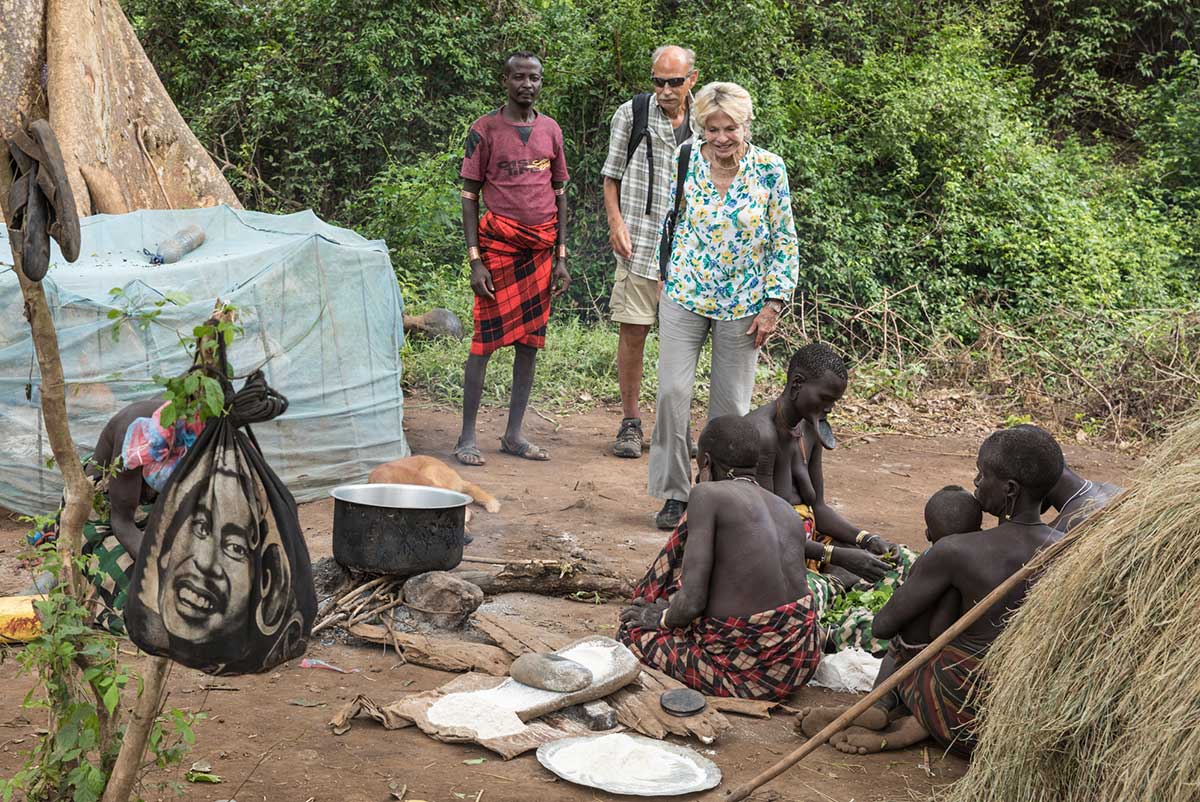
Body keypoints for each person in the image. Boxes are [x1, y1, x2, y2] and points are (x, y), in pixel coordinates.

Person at [815, 425, 1065, 757]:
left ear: (1010, 489)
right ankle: (908, 723)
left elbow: (883, 627)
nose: (976, 482)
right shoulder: (1068, 550)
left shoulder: (957, 551)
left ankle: (885, 705)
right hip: (1028, 714)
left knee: (915, 624)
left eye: (982, 473)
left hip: (963, 710)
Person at [618, 415, 891, 700]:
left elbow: (693, 602)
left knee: (632, 633)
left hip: (752, 674)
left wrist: (660, 618)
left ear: (707, 462)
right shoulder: (785, 509)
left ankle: (652, 607)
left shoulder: (706, 495)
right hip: (803, 659)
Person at [649, 81, 799, 530]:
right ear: (701, 128)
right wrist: (664, 274)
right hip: (685, 294)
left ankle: (717, 494)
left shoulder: (770, 170)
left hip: (745, 304)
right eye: (711, 129)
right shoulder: (685, 159)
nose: (720, 138)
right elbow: (669, 220)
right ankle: (675, 494)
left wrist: (774, 301)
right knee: (672, 394)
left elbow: (784, 240)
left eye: (729, 128)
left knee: (730, 409)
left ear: (745, 126)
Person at [746, 343, 917, 653]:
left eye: (834, 402)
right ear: (796, 384)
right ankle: (834, 616)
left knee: (903, 561)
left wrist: (866, 539)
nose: (829, 409)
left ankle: (837, 599)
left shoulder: (809, 430)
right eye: (825, 399)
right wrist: (835, 556)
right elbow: (767, 533)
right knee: (801, 600)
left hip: (812, 549)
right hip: (776, 560)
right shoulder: (760, 435)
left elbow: (818, 508)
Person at [454, 51, 570, 467]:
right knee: (483, 343)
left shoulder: (551, 130)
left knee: (530, 345)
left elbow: (560, 196)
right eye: (519, 78)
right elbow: (468, 197)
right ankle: (467, 437)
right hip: (497, 252)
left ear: (541, 81)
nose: (528, 85)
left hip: (540, 253)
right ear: (505, 80)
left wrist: (560, 257)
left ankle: (513, 434)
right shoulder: (483, 130)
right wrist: (475, 261)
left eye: (534, 78)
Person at [796, 485, 982, 743]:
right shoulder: (990, 556)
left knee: (900, 639)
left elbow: (884, 626)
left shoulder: (935, 561)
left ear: (929, 533)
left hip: (933, 675)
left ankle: (880, 704)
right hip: (970, 684)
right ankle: (904, 729)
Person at [601, 45, 699, 459]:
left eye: (674, 82)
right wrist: (616, 222)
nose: (665, 90)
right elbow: (610, 176)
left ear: (692, 79)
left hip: (691, 250)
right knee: (633, 331)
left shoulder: (706, 118)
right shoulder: (631, 114)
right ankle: (630, 421)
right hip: (640, 241)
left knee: (684, 342)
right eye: (658, 81)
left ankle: (675, 426)